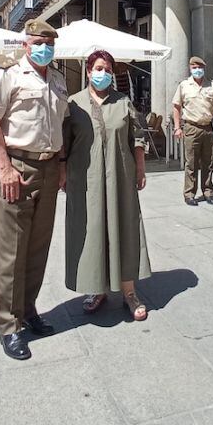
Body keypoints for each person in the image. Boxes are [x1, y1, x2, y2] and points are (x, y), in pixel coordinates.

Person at [0, 18, 69, 361]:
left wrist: (60, 165)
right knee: (11, 251)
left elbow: (58, 126)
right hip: (17, 167)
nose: (45, 48)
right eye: (38, 43)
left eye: (50, 44)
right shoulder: (8, 75)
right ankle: (9, 325)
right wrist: (4, 167)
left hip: (48, 168)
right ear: (26, 45)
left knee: (37, 246)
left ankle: (28, 309)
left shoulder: (58, 80)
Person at [62, 50, 151, 321]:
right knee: (91, 232)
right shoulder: (73, 104)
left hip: (120, 176)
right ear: (88, 71)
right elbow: (64, 145)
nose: (104, 73)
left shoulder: (123, 101)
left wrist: (140, 168)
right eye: (99, 68)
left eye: (108, 69)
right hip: (85, 179)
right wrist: (62, 174)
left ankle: (129, 291)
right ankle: (96, 288)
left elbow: (136, 138)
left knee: (123, 228)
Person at [172, 56, 213, 206]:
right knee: (191, 163)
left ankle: (208, 192)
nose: (197, 70)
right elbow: (176, 107)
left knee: (208, 162)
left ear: (204, 68)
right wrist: (177, 127)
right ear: (190, 68)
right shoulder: (183, 85)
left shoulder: (211, 85)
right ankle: (189, 194)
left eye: (199, 67)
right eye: (194, 67)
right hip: (191, 127)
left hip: (208, 127)